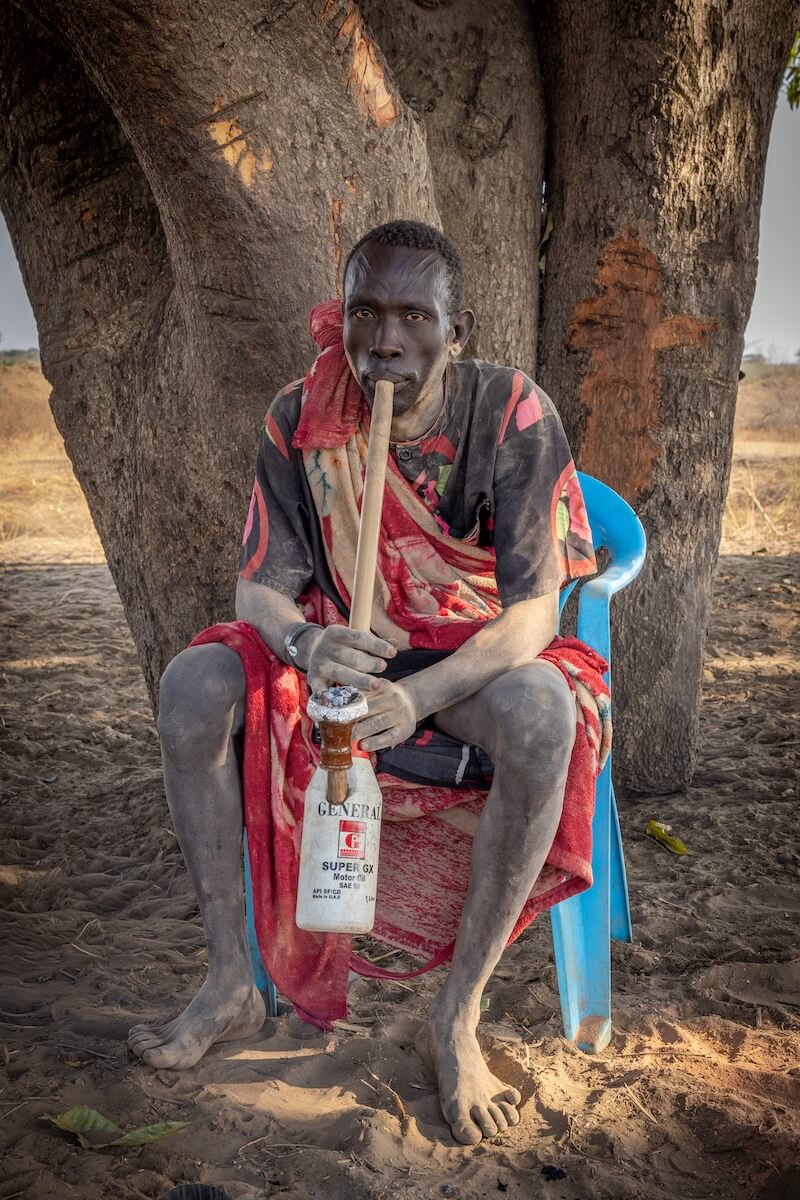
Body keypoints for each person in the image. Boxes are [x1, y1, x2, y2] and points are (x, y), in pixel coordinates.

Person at [128, 220, 609, 1146]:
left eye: (414, 316)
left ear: (454, 331)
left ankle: (456, 1014)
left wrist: (419, 698)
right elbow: (260, 588)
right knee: (194, 685)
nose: (386, 338)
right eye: (366, 313)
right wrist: (306, 644)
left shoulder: (510, 410)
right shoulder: (299, 416)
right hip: (343, 651)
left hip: (472, 658)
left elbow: (535, 615)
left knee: (546, 714)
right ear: (343, 319)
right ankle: (230, 982)